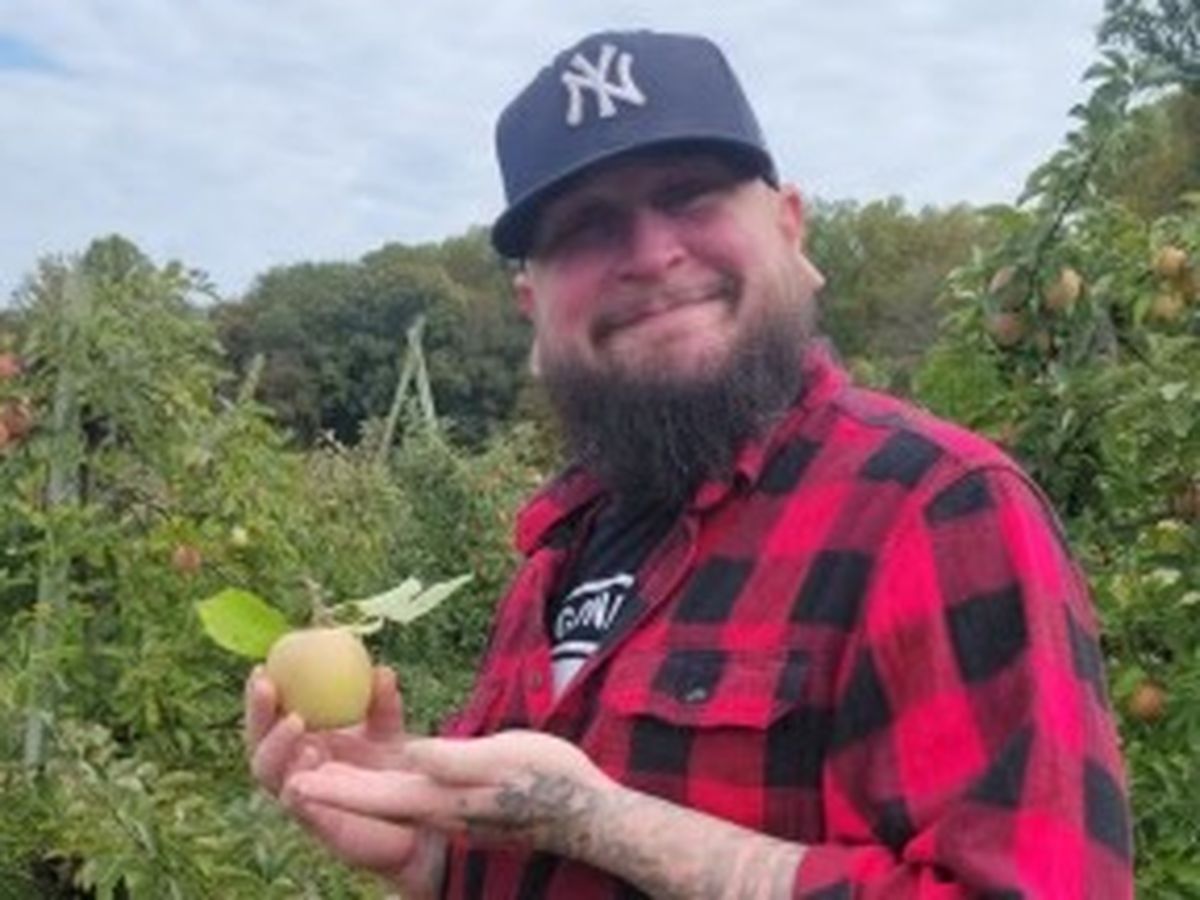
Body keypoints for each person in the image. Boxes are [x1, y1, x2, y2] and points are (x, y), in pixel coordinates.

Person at [246, 29, 1133, 899]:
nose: (649, 254)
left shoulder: (934, 510)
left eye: (691, 195)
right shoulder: (560, 550)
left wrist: (601, 822)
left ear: (791, 228)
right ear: (532, 306)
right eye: (586, 228)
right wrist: (431, 860)